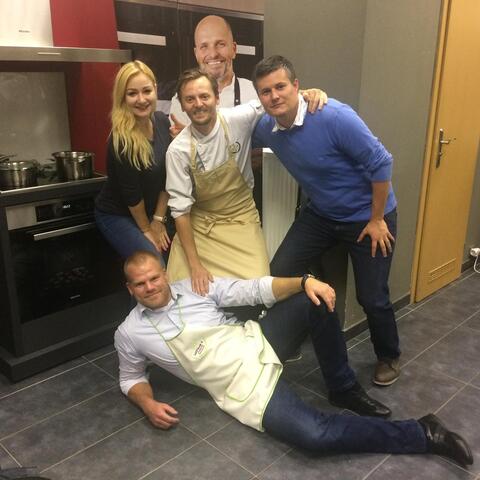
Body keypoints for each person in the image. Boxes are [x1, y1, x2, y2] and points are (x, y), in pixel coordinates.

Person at [114, 251, 473, 467]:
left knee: (313, 299)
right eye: (140, 284)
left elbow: (252, 289)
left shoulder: (196, 286)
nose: (150, 287)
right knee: (314, 436)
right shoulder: (130, 332)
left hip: (254, 340)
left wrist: (304, 282)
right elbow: (131, 378)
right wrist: (148, 404)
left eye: (154, 278)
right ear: (130, 288)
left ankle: (342, 387)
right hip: (238, 383)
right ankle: (423, 432)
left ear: (164, 273)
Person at [252, 55, 401, 386]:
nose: (274, 96)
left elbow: (382, 162)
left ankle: (388, 355)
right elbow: (232, 133)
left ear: (296, 86)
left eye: (280, 87)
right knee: (280, 271)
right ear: (259, 97)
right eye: (265, 91)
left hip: (368, 217)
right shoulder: (265, 127)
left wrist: (377, 219)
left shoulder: (334, 116)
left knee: (372, 296)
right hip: (322, 213)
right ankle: (294, 334)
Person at [165, 69, 325, 295]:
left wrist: (308, 94)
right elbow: (180, 211)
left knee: (258, 287)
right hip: (201, 225)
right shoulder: (177, 151)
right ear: (182, 105)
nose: (198, 104)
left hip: (241, 217)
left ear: (217, 98)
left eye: (204, 96)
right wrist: (195, 265)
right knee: (181, 291)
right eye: (190, 99)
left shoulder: (238, 118)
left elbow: (275, 101)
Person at [95, 61, 171, 262]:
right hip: (118, 214)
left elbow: (169, 177)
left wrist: (158, 220)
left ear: (155, 89)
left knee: (176, 255)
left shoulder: (162, 121)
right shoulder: (122, 140)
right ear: (122, 97)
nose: (141, 99)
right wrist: (147, 229)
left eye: (146, 91)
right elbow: (132, 196)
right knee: (153, 262)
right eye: (132, 93)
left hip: (152, 211)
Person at [169, 15, 258, 128]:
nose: (213, 54)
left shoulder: (254, 93)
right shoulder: (183, 99)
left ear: (234, 49)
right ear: (196, 54)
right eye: (204, 46)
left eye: (220, 44)